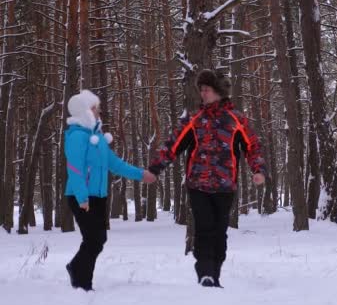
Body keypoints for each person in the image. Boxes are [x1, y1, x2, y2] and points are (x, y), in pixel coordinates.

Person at [148, 69, 267, 288]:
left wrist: (257, 170)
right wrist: (155, 169)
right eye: (201, 90)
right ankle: (205, 274)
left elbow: (253, 146)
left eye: (207, 90)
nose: (202, 94)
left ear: (219, 92)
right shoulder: (194, 119)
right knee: (204, 228)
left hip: (225, 186)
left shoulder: (236, 119)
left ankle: (215, 274)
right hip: (198, 185)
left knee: (220, 232)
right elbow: (172, 145)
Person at [64, 89, 157, 291]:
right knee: (94, 238)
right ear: (85, 111)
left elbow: (116, 164)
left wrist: (141, 174)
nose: (99, 112)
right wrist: (82, 198)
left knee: (98, 239)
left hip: (98, 196)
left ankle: (77, 271)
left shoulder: (98, 140)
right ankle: (82, 282)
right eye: (95, 108)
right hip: (81, 196)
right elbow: (74, 169)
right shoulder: (77, 137)